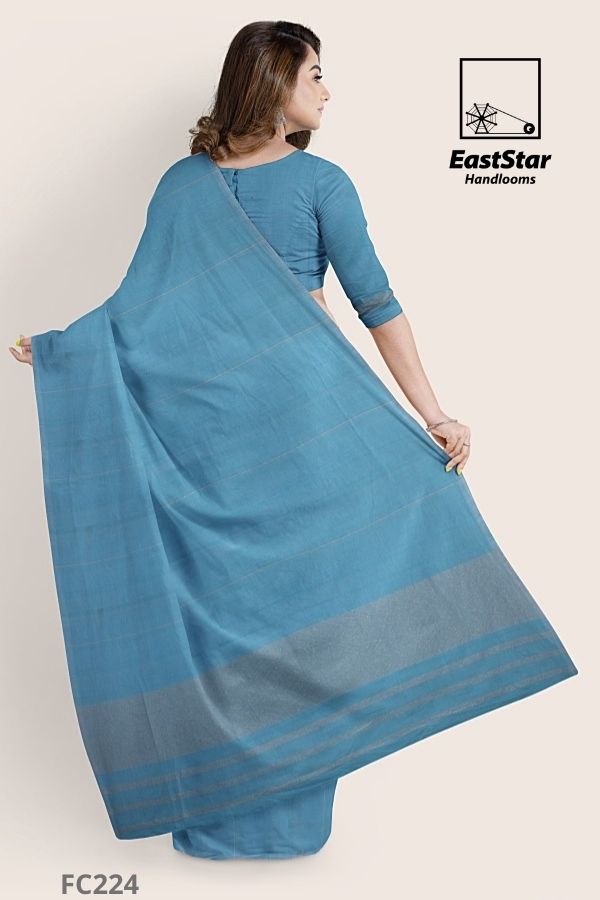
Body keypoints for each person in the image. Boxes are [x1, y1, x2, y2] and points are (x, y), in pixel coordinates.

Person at [9, 21, 577, 861]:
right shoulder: (185, 186)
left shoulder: (321, 182)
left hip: (307, 423)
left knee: (305, 611)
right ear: (272, 80)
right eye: (315, 73)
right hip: (210, 435)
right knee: (224, 611)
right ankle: (217, 812)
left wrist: (434, 414)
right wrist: (64, 348)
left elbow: (377, 304)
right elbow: (141, 306)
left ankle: (284, 820)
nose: (327, 90)